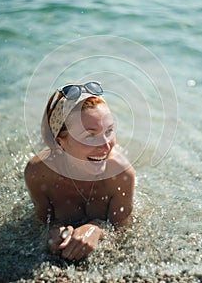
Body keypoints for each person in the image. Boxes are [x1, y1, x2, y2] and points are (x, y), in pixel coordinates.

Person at [25, 81, 135, 261]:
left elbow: (124, 231)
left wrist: (97, 229)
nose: (106, 145)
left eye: (109, 131)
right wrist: (52, 231)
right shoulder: (38, 173)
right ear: (61, 143)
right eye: (90, 135)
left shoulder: (121, 174)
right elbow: (41, 222)